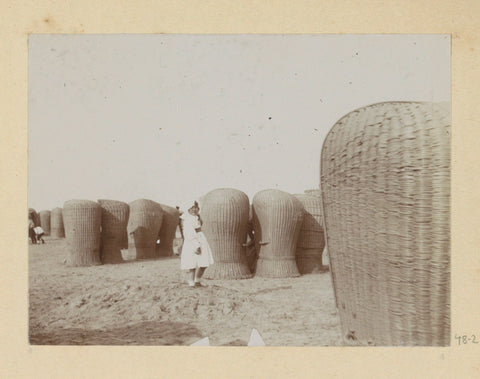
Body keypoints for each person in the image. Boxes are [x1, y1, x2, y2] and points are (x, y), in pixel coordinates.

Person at [179, 201, 214, 287]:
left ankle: (197, 280)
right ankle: (191, 283)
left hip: (201, 239)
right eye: (192, 208)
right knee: (192, 263)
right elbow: (189, 234)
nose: (194, 210)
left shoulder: (197, 218)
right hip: (192, 241)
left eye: (196, 208)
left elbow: (199, 227)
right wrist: (196, 245)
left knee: (204, 262)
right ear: (188, 209)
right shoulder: (187, 220)